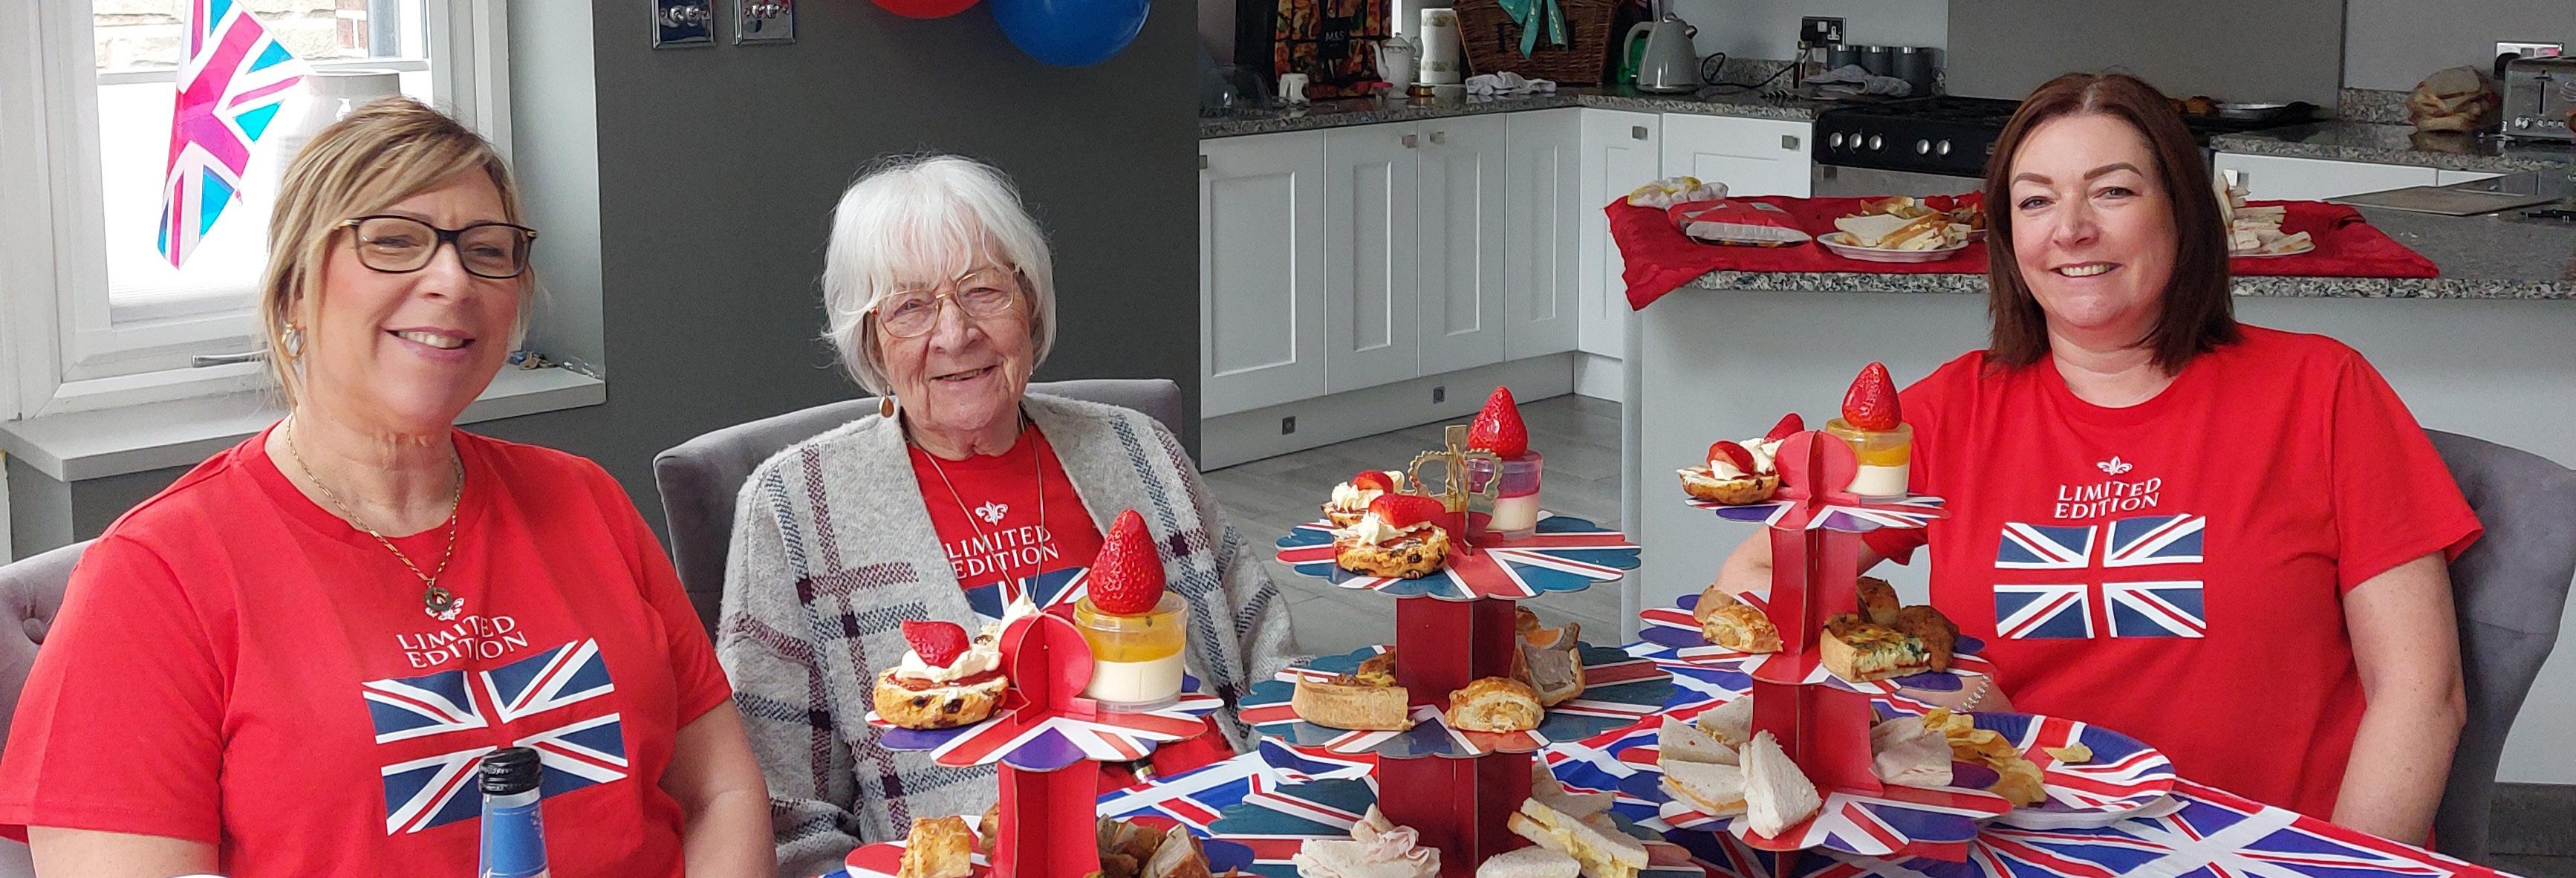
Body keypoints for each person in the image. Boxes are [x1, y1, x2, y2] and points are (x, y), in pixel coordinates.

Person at [0, 99, 773, 877]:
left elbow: (721, 793)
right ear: (294, 290)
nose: (453, 281)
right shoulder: (155, 575)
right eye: (395, 242)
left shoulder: (586, 500)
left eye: (487, 250)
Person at [1713, 73, 2477, 843]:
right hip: (2014, 842)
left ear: (2183, 211)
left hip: (2259, 850)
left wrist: (2341, 866)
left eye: (2113, 192)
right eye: (2035, 201)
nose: (2071, 230)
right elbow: (1759, 576)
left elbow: (2422, 691)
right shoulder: (1949, 412)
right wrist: (1931, 685)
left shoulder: (2321, 389)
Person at [716, 155, 1297, 874]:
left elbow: (1270, 657)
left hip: (1225, 834)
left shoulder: (1136, 447)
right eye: (910, 307)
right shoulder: (795, 505)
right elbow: (780, 811)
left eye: (983, 290)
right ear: (869, 338)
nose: (955, 333)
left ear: (1031, 304)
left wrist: (1297, 810)